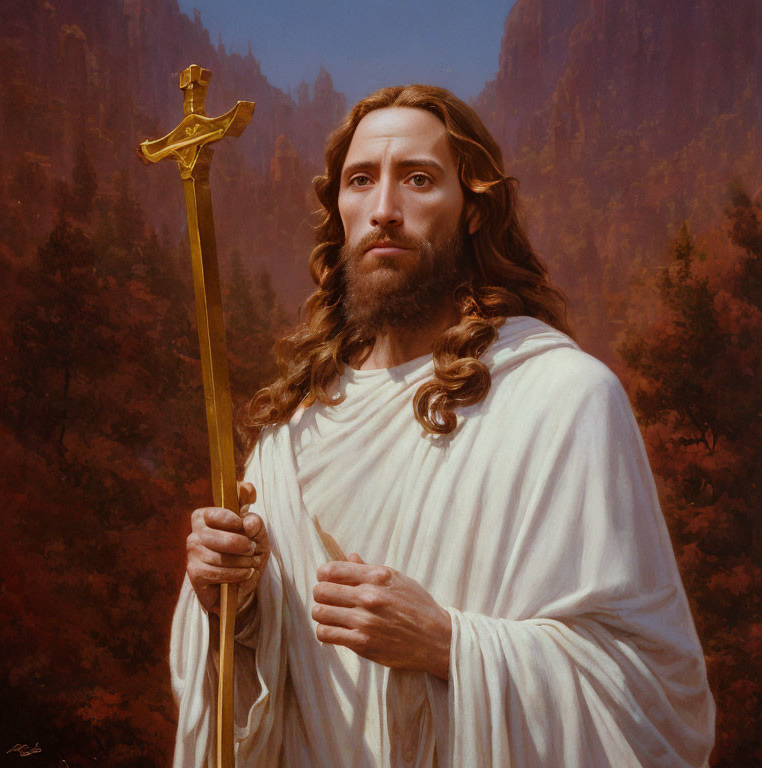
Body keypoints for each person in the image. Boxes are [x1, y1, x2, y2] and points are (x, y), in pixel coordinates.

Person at [171, 85, 715, 767]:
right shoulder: (289, 433)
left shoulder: (561, 399)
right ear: (338, 211)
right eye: (361, 181)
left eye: (419, 180)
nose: (384, 211)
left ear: (473, 211)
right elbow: (245, 702)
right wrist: (231, 608)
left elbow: (653, 696)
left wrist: (445, 644)